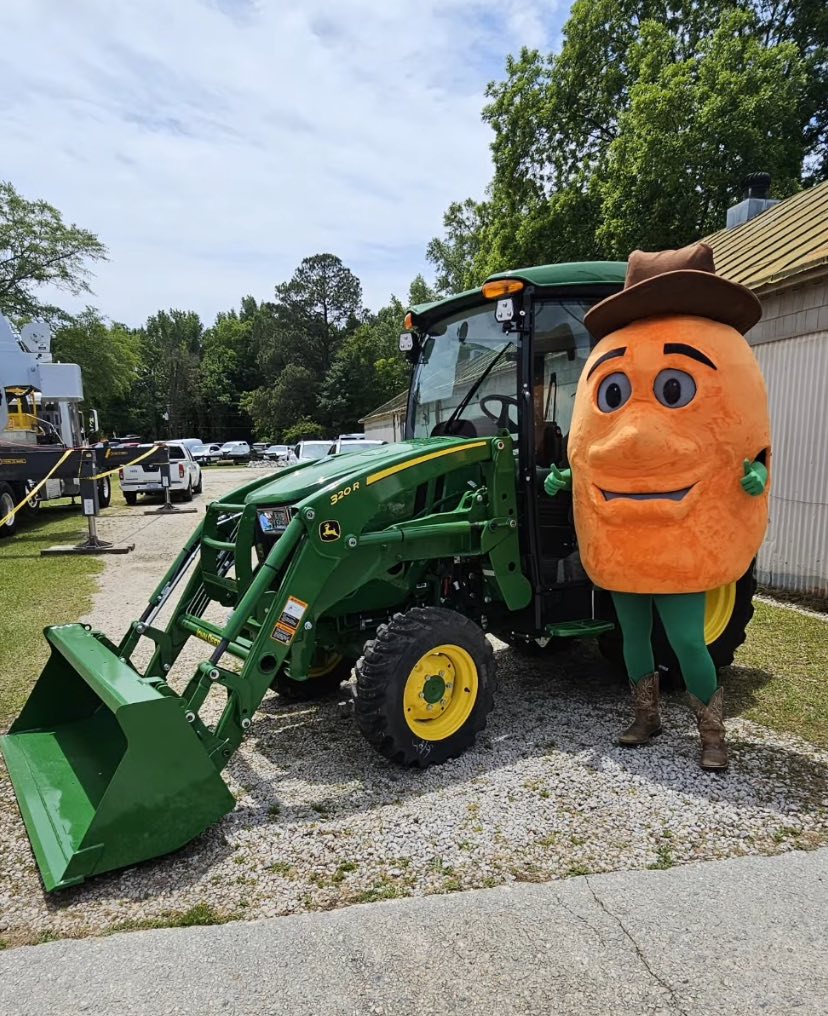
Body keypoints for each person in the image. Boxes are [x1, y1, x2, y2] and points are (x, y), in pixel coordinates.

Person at [546, 243, 770, 770]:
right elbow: (586, 447)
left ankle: (711, 731)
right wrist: (567, 476)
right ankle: (646, 715)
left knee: (690, 641)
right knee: (632, 637)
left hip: (681, 543)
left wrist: (754, 474)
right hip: (622, 539)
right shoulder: (614, 348)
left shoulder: (718, 343)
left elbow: (745, 440)